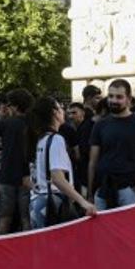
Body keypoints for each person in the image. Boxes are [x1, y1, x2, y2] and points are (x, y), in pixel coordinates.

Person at [27, 96, 97, 229]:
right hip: (54, 204)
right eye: (61, 108)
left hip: (37, 203)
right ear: (54, 112)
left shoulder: (39, 140)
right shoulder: (56, 139)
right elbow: (57, 178)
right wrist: (83, 202)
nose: (64, 111)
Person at [88, 79, 135, 210]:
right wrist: (90, 193)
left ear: (129, 98)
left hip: (129, 189)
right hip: (102, 189)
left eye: (119, 97)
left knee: (128, 229)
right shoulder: (100, 125)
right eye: (111, 96)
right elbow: (93, 161)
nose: (113, 100)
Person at [0, 89, 33, 234]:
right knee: (27, 218)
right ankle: (29, 249)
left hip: (7, 175)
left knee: (4, 219)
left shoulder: (6, 123)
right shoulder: (32, 123)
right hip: (28, 175)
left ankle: (0, 250)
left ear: (14, 106)